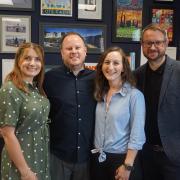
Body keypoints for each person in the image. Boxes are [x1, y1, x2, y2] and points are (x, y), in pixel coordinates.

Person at [43, 32, 96, 180]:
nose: (74, 51)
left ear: (85, 51)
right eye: (69, 48)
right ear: (61, 53)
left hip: (87, 157)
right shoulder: (48, 78)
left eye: (78, 47)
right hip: (57, 155)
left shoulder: (97, 79)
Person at [90, 46, 146, 180]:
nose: (110, 67)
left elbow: (137, 134)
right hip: (98, 159)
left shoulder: (134, 96)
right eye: (107, 62)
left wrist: (127, 166)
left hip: (122, 160)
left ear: (123, 67)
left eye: (116, 63)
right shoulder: (100, 93)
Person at [134, 23, 180, 180]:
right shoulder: (136, 75)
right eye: (148, 43)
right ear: (142, 45)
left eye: (158, 43)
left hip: (174, 157)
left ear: (166, 43)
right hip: (145, 155)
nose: (153, 47)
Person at [0, 42, 50, 180]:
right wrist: (25, 172)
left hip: (40, 155)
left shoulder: (36, 89)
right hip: (21, 160)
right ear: (18, 61)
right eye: (27, 58)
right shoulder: (10, 89)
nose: (32, 63)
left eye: (37, 59)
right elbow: (7, 134)